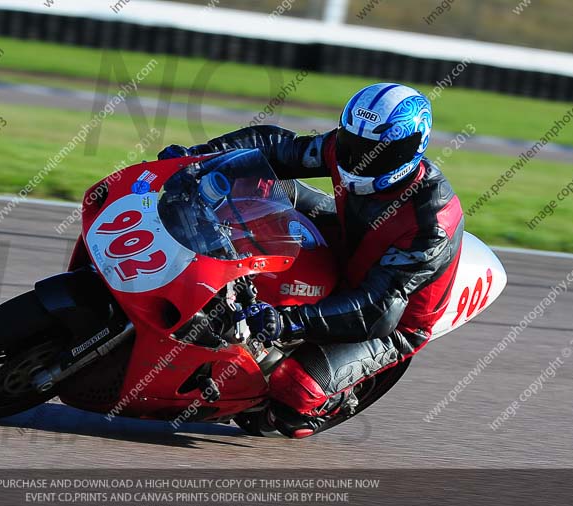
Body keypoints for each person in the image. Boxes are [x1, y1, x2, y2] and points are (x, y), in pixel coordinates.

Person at [158, 83, 464, 438]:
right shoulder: (346, 150)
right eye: (354, 142)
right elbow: (275, 147)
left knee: (293, 396)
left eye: (376, 150)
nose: (358, 157)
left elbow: (376, 308)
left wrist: (287, 322)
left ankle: (325, 400)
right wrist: (199, 158)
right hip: (350, 238)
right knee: (256, 183)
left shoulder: (432, 221)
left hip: (391, 318)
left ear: (410, 149)